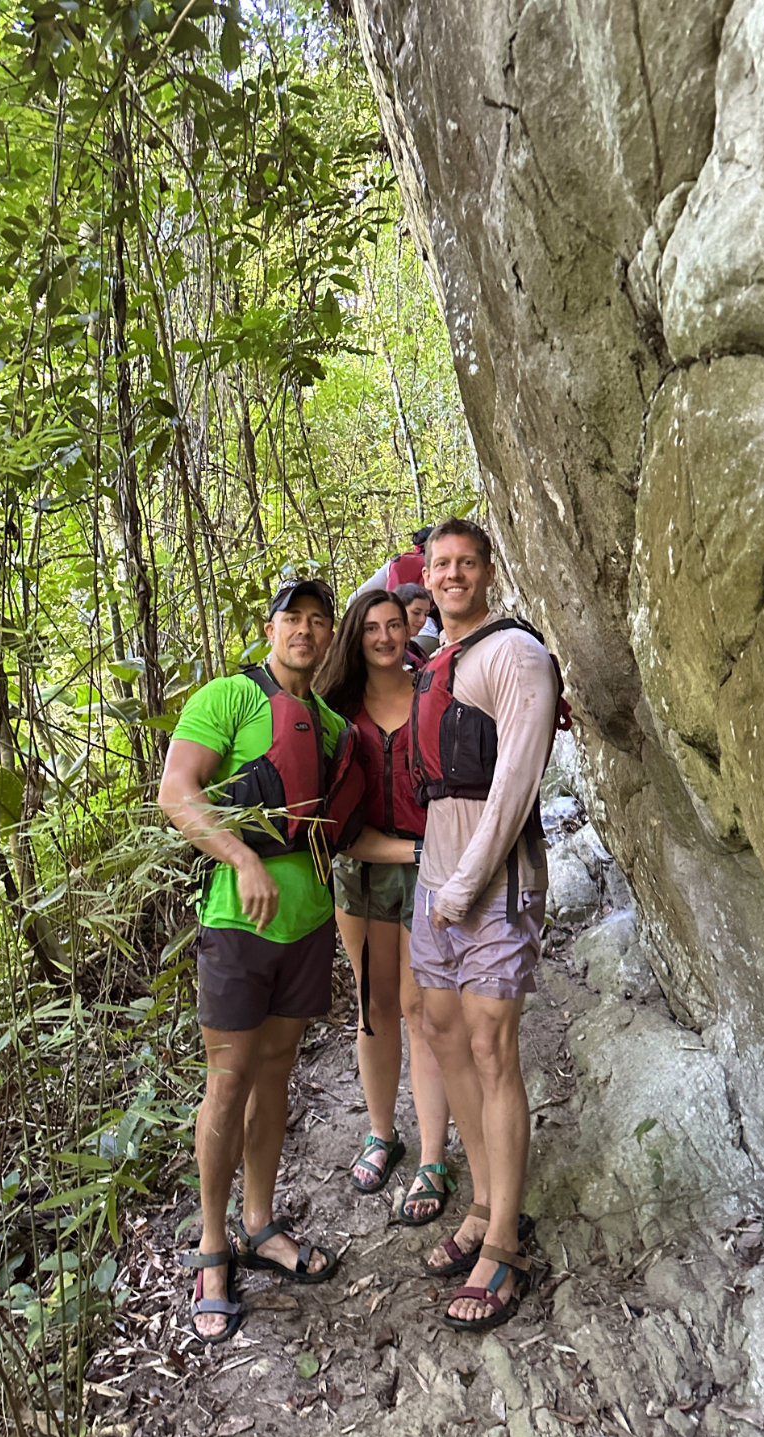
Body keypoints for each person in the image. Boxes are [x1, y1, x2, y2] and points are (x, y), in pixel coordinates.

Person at [157, 580, 412, 1344]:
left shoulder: (332, 726)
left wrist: (426, 850)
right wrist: (241, 858)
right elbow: (177, 792)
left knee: (274, 1076)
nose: (304, 630)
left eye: (317, 620)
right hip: (237, 926)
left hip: (305, 926)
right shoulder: (229, 698)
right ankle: (212, 1248)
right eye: (291, 618)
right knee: (228, 1080)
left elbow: (343, 831)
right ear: (269, 628)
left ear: (330, 637)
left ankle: (259, 1224)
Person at [408, 518, 563, 1331]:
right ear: (426, 574)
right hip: (434, 882)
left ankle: (504, 1241)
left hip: (495, 883)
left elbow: (515, 781)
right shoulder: (438, 659)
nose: (452, 575)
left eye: (465, 563)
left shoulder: (515, 654)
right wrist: (438, 886)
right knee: (442, 1034)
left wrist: (466, 884)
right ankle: (479, 1202)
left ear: (488, 571)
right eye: (440, 564)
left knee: (490, 1046)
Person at [315, 592, 454, 1223]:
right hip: (364, 870)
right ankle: (381, 1132)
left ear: (410, 629)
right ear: (356, 635)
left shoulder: (431, 691)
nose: (385, 636)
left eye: (394, 624)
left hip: (428, 873)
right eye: (371, 627)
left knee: (421, 1009)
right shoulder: (336, 711)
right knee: (374, 1007)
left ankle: (432, 1156)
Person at [393, 581, 438, 663]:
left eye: (426, 614)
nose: (422, 620)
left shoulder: (415, 648)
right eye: (416, 613)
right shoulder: (389, 650)